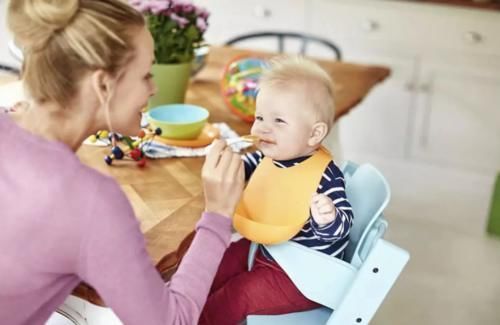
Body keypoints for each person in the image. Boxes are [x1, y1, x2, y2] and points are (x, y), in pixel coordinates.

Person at [0, 0, 244, 324]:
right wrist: (218, 215)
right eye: (145, 75)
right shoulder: (91, 202)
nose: (154, 88)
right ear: (103, 84)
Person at [199, 57, 355, 324]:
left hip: (301, 276)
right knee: (215, 264)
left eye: (279, 121)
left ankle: (201, 320)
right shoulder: (273, 156)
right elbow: (253, 167)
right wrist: (230, 165)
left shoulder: (324, 177)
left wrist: (327, 218)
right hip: (267, 250)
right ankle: (189, 309)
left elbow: (343, 225)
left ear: (314, 135)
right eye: (259, 117)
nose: (262, 127)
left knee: (238, 295)